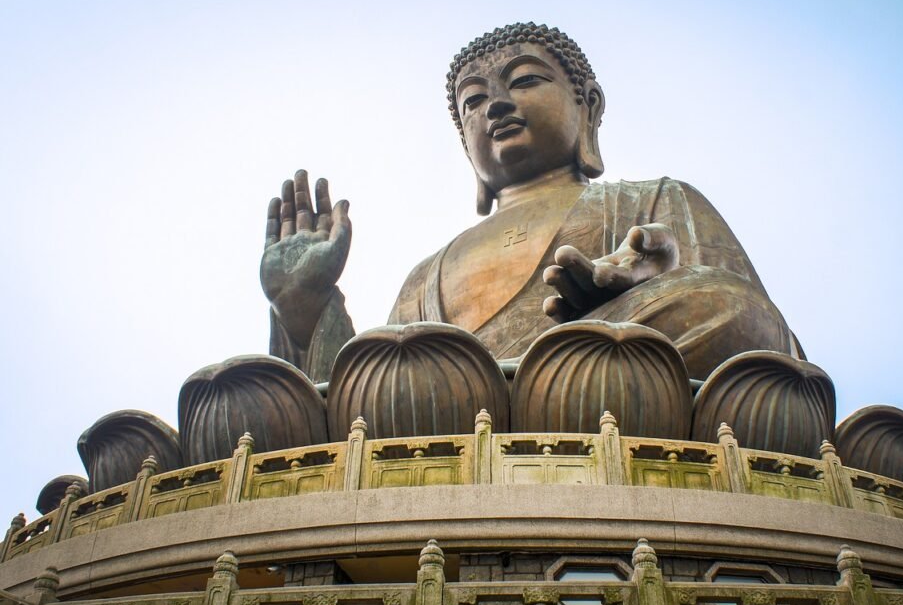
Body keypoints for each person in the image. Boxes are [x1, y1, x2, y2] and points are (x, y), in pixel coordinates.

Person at [260, 23, 798, 383]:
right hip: (455, 414)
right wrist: (304, 308)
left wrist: (653, 284)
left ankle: (565, 368)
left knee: (729, 307)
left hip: (605, 385)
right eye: (473, 100)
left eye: (524, 81)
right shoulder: (427, 276)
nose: (495, 104)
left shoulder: (653, 199)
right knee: (385, 376)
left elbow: (764, 336)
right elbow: (357, 396)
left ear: (586, 108)